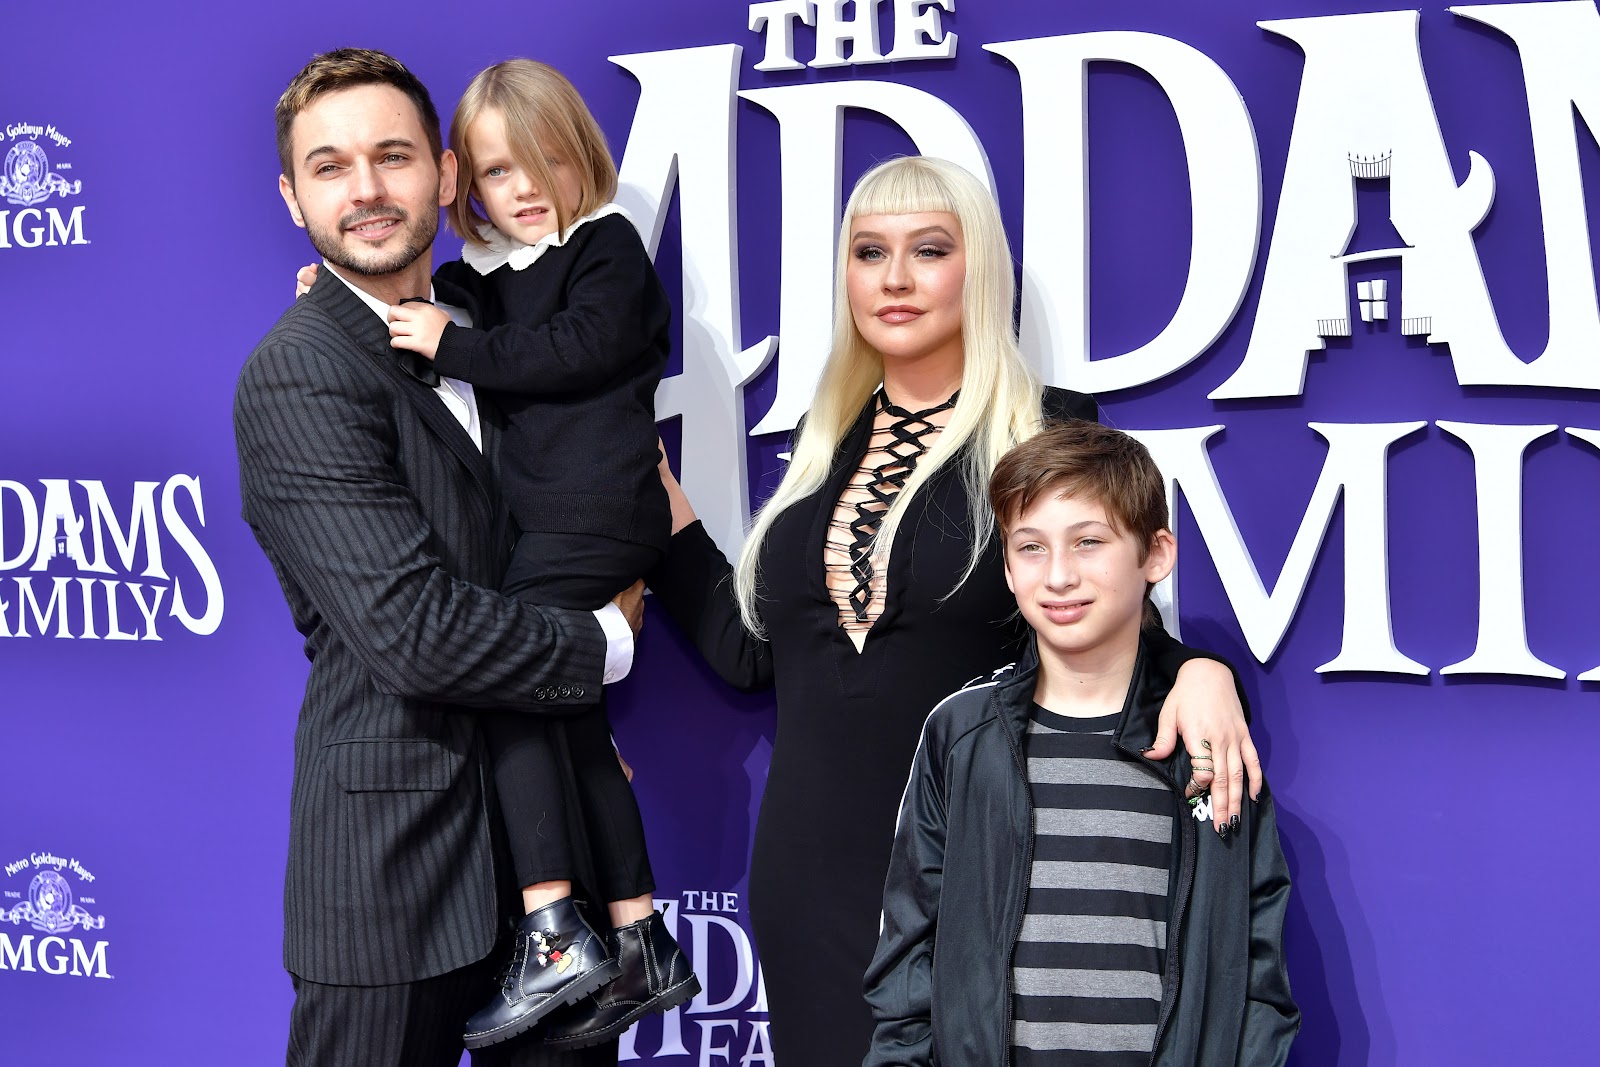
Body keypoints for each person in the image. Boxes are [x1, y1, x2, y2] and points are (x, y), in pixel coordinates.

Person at [648, 155, 1265, 1063]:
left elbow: (1120, 637)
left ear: (978, 274)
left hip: (985, 867)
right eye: (869, 252)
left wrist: (1206, 672)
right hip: (809, 873)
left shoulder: (1048, 433)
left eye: (928, 250)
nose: (893, 278)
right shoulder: (822, 452)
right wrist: (651, 498)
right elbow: (753, 653)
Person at [236, 48, 635, 1067]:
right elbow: (412, 634)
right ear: (293, 198)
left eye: (392, 157)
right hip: (391, 875)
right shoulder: (300, 374)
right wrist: (603, 645)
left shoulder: (491, 327)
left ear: (447, 177)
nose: (365, 189)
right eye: (329, 167)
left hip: (549, 881)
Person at [374, 58, 697, 1052]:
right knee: (569, 721)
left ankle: (554, 925)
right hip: (549, 525)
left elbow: (577, 350)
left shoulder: (605, 251)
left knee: (504, 679)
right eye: (495, 170)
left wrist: (451, 342)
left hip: (593, 518)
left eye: (543, 161)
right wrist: (362, 300)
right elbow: (431, 306)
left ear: (582, 159)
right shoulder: (484, 279)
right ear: (464, 180)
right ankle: (639, 938)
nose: (523, 188)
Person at [863, 420, 1299, 1066]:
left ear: (1156, 553)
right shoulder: (963, 734)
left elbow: (1256, 965)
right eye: (1031, 547)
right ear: (1007, 568)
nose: (1059, 575)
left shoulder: (1203, 738)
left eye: (1089, 542)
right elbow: (908, 960)